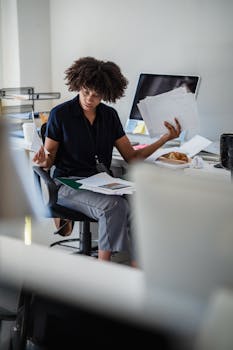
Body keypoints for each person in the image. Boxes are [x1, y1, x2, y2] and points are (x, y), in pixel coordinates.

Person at [33, 56, 181, 264]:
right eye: (85, 92)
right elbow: (48, 160)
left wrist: (165, 139)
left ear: (106, 94)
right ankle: (104, 271)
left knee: (140, 203)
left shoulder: (109, 116)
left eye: (96, 95)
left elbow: (132, 157)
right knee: (113, 206)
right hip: (67, 183)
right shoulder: (61, 114)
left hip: (101, 183)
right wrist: (41, 161)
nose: (89, 99)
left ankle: (137, 269)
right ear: (78, 86)